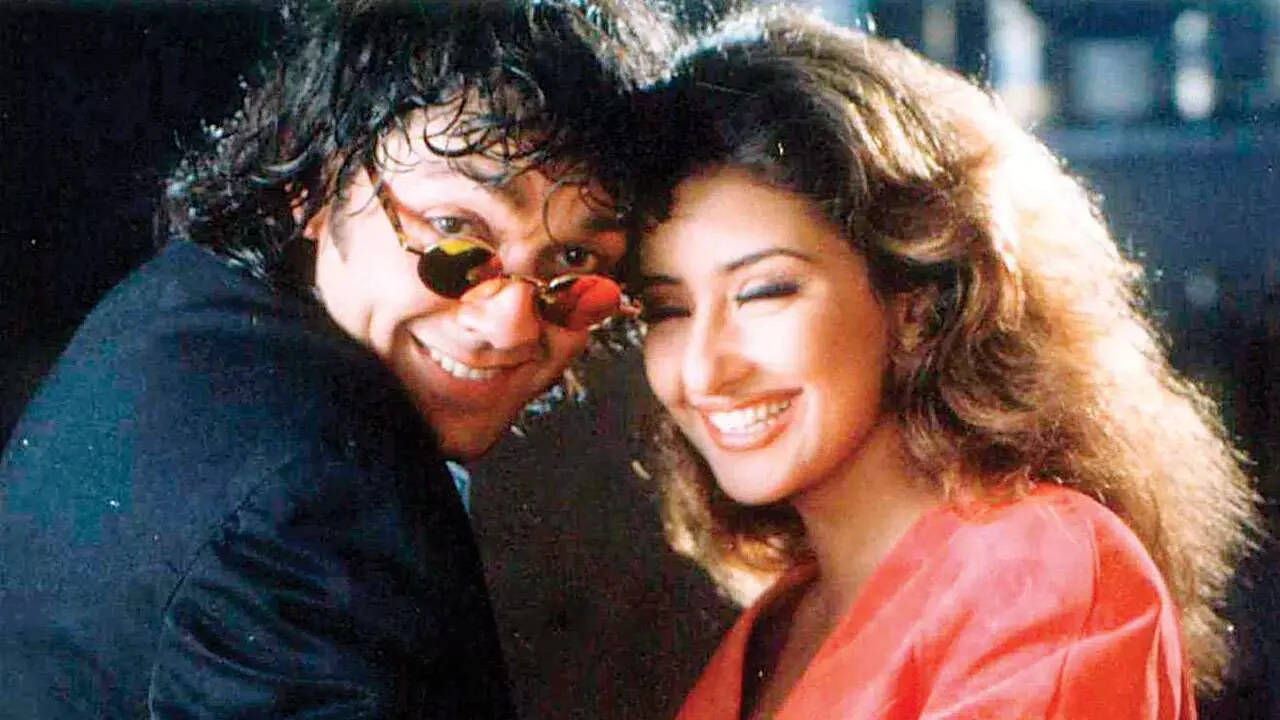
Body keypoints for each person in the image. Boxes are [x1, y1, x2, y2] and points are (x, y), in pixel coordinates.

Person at [0, 0, 662, 716]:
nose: (510, 325)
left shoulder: (183, 306)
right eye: (453, 231)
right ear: (314, 186)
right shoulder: (323, 496)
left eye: (575, 260)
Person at [625, 7, 1258, 719]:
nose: (704, 372)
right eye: (668, 309)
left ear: (916, 302)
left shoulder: (1038, 571)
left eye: (764, 292)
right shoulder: (779, 620)